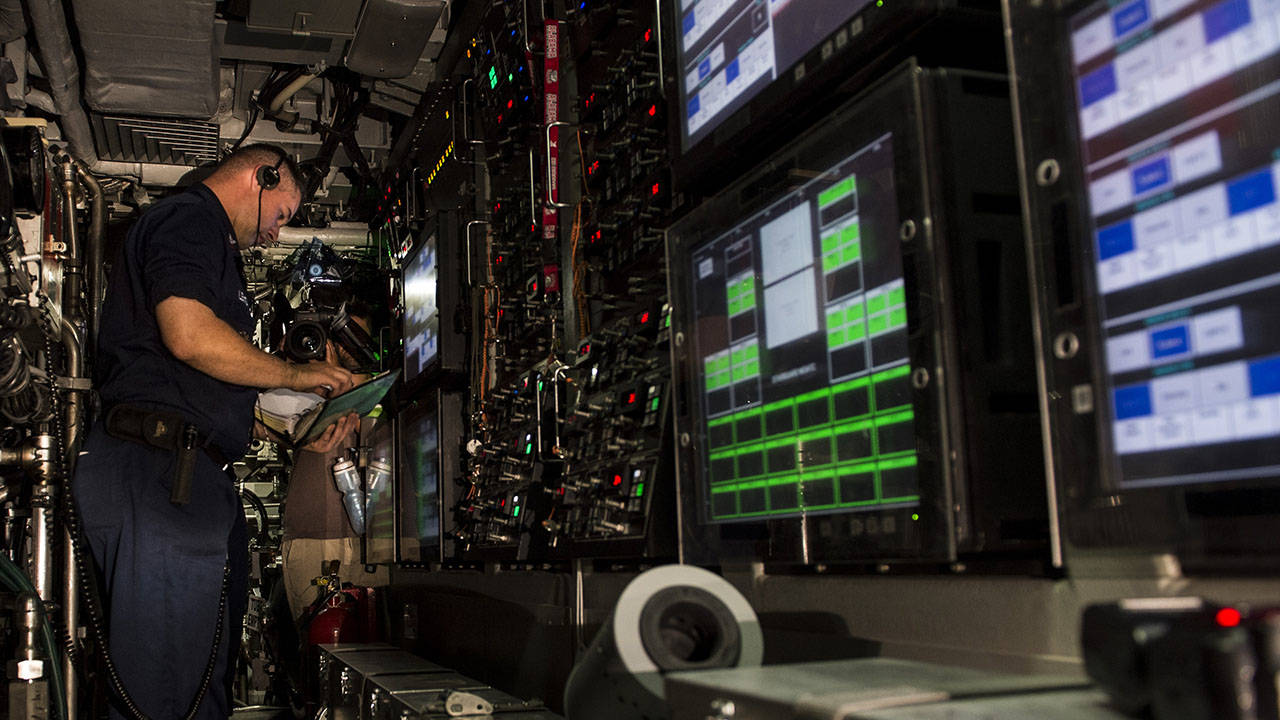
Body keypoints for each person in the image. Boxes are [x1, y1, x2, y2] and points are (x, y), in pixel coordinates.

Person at [72, 143, 360, 720]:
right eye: (281, 215)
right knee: (167, 692)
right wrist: (297, 373)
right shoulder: (190, 218)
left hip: (176, 472)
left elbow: (195, 381)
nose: (276, 236)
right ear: (262, 176)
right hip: (159, 473)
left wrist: (296, 431)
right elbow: (190, 337)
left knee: (195, 685)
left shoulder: (205, 240)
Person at [279, 303, 390, 625]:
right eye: (338, 336)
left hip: (384, 541)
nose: (347, 344)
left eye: (355, 336)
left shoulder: (388, 386)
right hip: (316, 538)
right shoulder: (301, 383)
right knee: (319, 641)